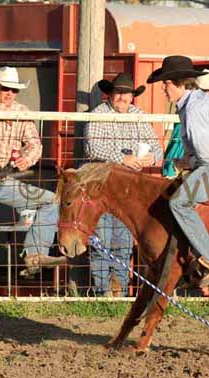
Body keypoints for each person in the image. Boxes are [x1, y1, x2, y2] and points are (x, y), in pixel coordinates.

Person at [0, 66, 66, 276]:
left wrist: (25, 160)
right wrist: (5, 112)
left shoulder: (22, 112)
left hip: (3, 182)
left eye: (14, 90)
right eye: (5, 88)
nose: (9, 93)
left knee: (51, 201)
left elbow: (35, 145)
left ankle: (35, 254)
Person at [147, 55, 209, 287]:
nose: (163, 90)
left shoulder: (195, 108)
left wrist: (184, 163)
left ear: (178, 83)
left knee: (178, 202)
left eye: (165, 84)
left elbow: (205, 154)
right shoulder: (194, 104)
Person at [82, 73, 163, 297]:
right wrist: (123, 159)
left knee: (123, 243)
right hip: (103, 186)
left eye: (126, 94)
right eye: (118, 93)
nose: (122, 97)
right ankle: (103, 293)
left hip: (128, 191)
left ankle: (120, 293)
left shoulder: (139, 116)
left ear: (132, 96)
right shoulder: (98, 114)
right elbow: (93, 150)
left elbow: (157, 149)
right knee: (101, 241)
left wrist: (151, 159)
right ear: (110, 94)